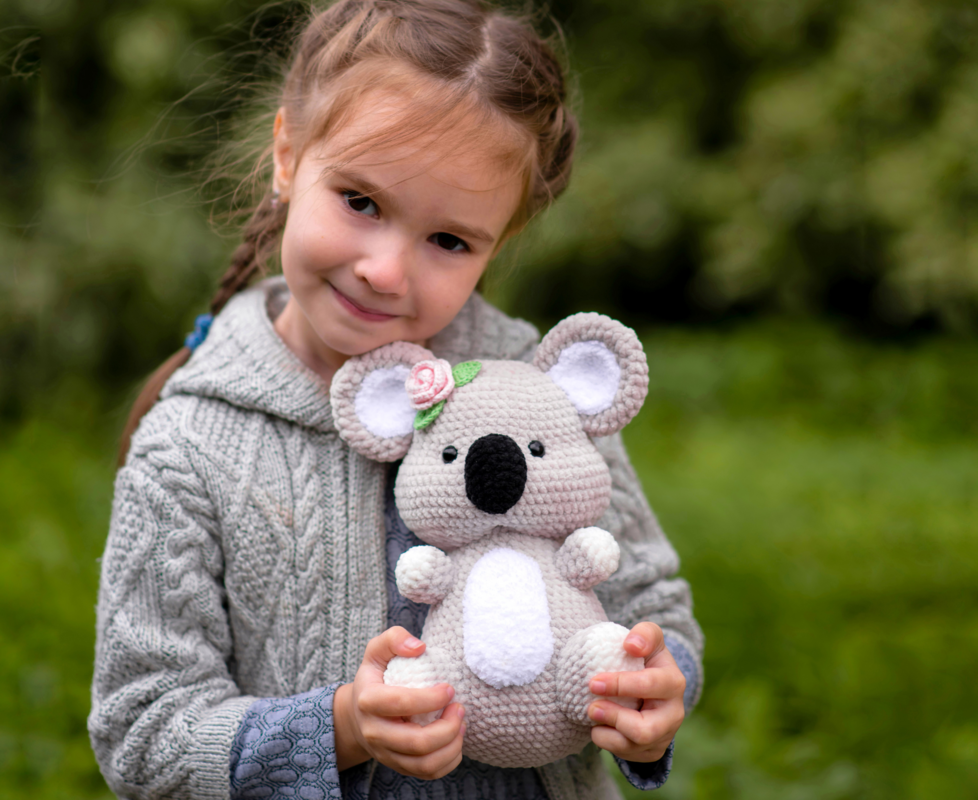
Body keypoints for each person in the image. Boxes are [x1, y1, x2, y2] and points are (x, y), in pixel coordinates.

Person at [88, 0, 704, 797]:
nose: (384, 270)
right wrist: (341, 728)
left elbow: (651, 604)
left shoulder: (535, 391)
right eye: (361, 200)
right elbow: (142, 732)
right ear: (287, 155)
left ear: (497, 242)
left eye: (448, 240)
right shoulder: (192, 443)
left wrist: (654, 684)